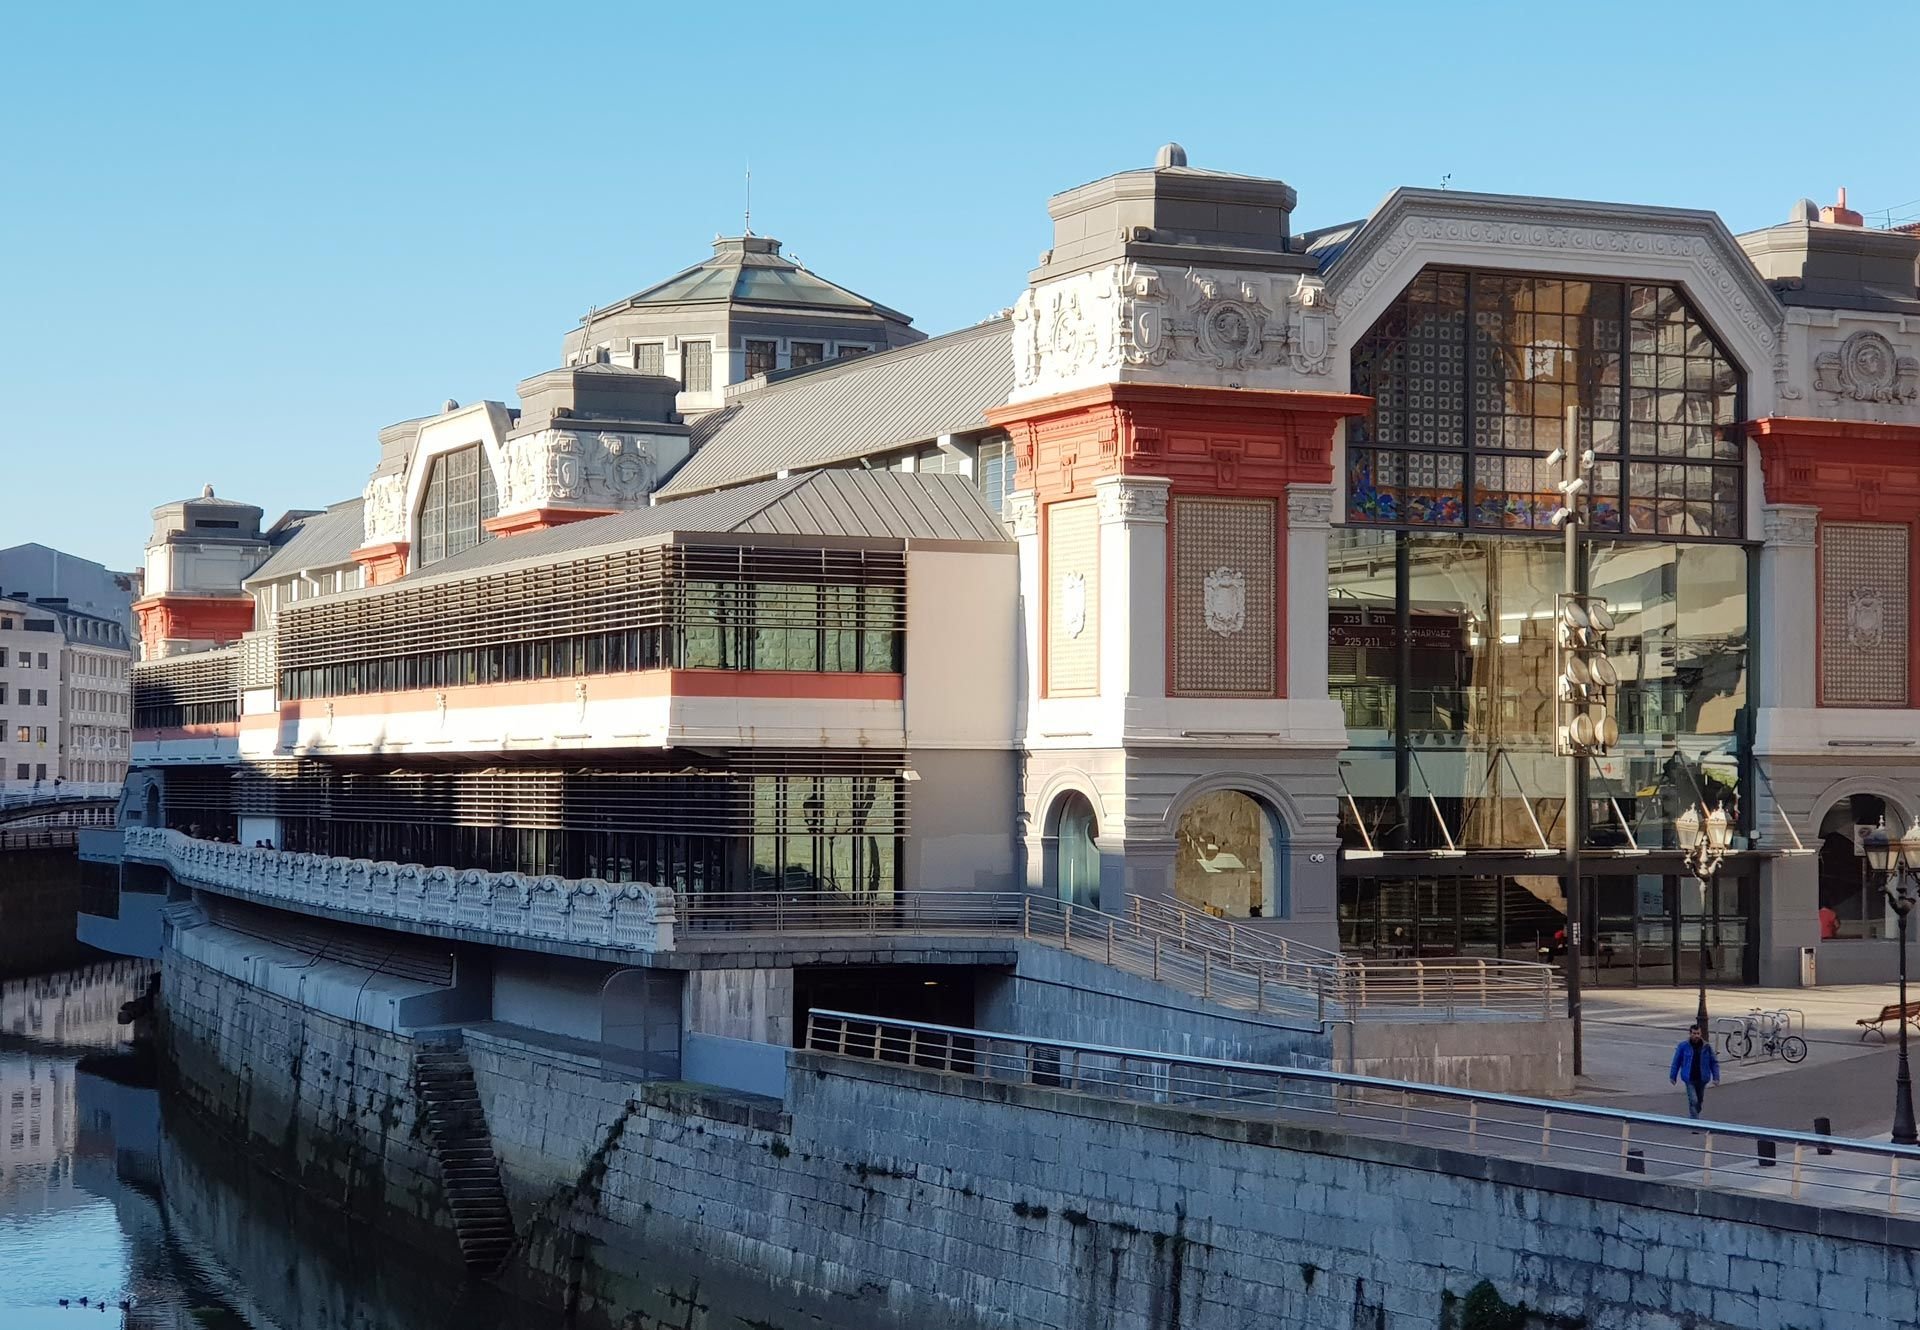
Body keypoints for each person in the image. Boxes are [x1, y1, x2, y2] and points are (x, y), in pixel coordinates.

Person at [1668, 1024, 1721, 1120]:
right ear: (1690, 1034)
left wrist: (1716, 1077)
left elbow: (1713, 1062)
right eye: (1694, 1033)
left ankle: (1696, 1112)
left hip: (1702, 1078)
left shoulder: (1707, 1047)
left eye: (1698, 1033)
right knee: (1693, 1100)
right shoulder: (1683, 1046)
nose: (1696, 1036)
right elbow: (1676, 1061)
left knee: (1699, 1100)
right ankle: (1694, 1121)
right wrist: (1673, 1076)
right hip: (1689, 1078)